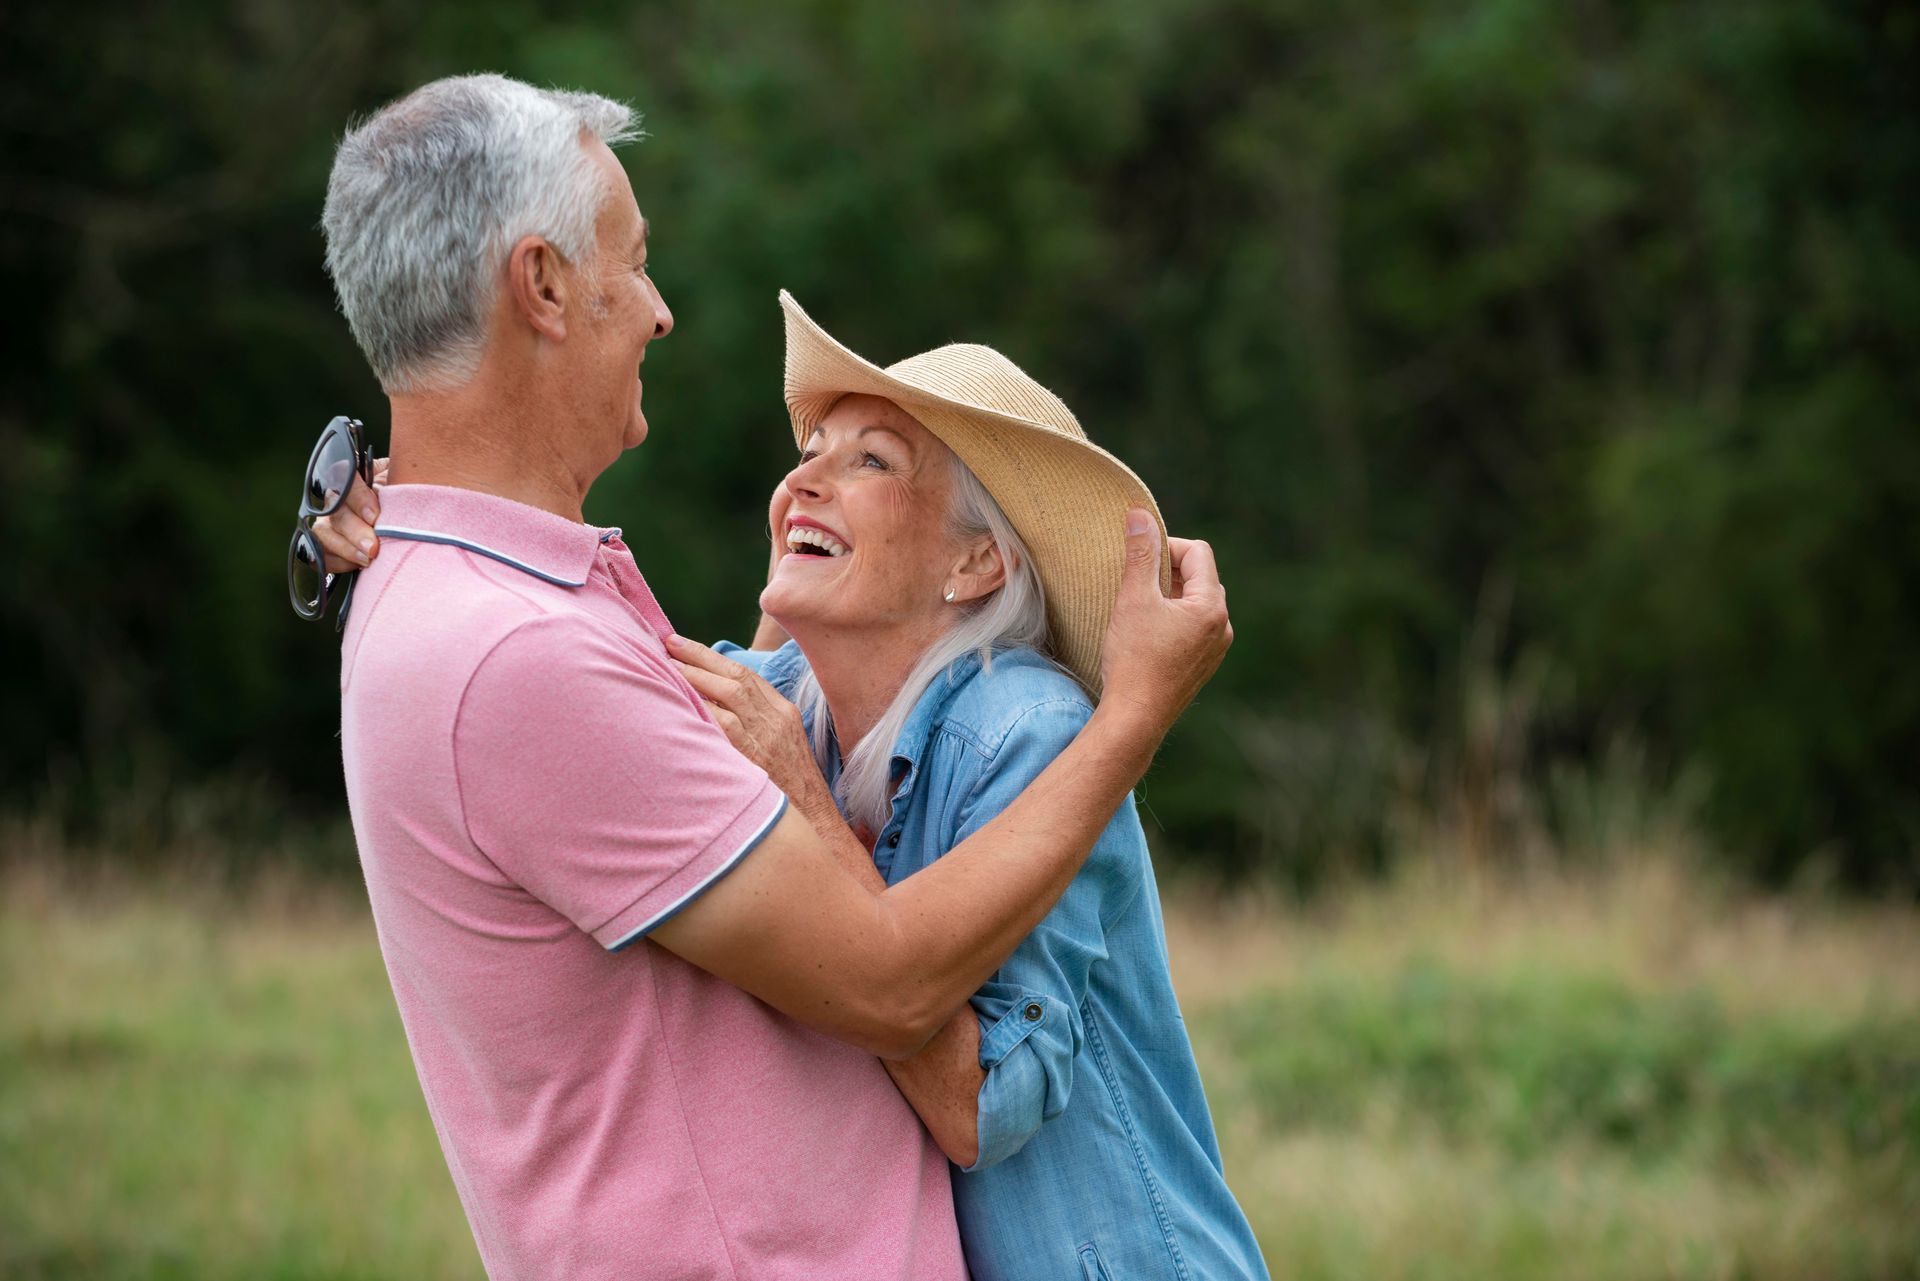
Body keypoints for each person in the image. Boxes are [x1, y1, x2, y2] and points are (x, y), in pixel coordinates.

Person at [308, 73, 1231, 1281]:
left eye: (870, 460)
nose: (660, 311)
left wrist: (375, 493)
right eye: (631, 264)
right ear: (540, 286)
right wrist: (1138, 715)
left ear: (976, 561)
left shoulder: (491, 604)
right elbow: (896, 992)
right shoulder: (518, 651)